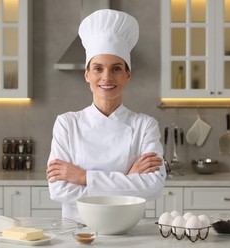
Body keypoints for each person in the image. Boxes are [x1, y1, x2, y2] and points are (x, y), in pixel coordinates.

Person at [46, 9, 166, 221]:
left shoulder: (145, 125)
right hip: (78, 233)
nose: (106, 77)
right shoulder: (67, 123)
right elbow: (59, 190)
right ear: (87, 74)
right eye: (98, 68)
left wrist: (83, 177)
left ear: (127, 75)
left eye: (116, 69)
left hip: (130, 232)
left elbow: (153, 187)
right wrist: (129, 180)